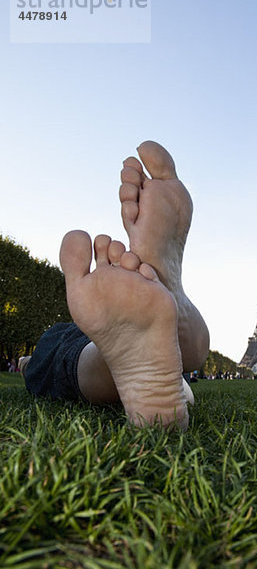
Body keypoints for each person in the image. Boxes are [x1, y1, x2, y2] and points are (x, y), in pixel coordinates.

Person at [24, 141, 210, 430]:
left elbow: (30, 366)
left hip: (107, 336)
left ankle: (127, 365)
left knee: (47, 359)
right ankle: (166, 296)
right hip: (133, 341)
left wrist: (25, 364)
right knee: (63, 348)